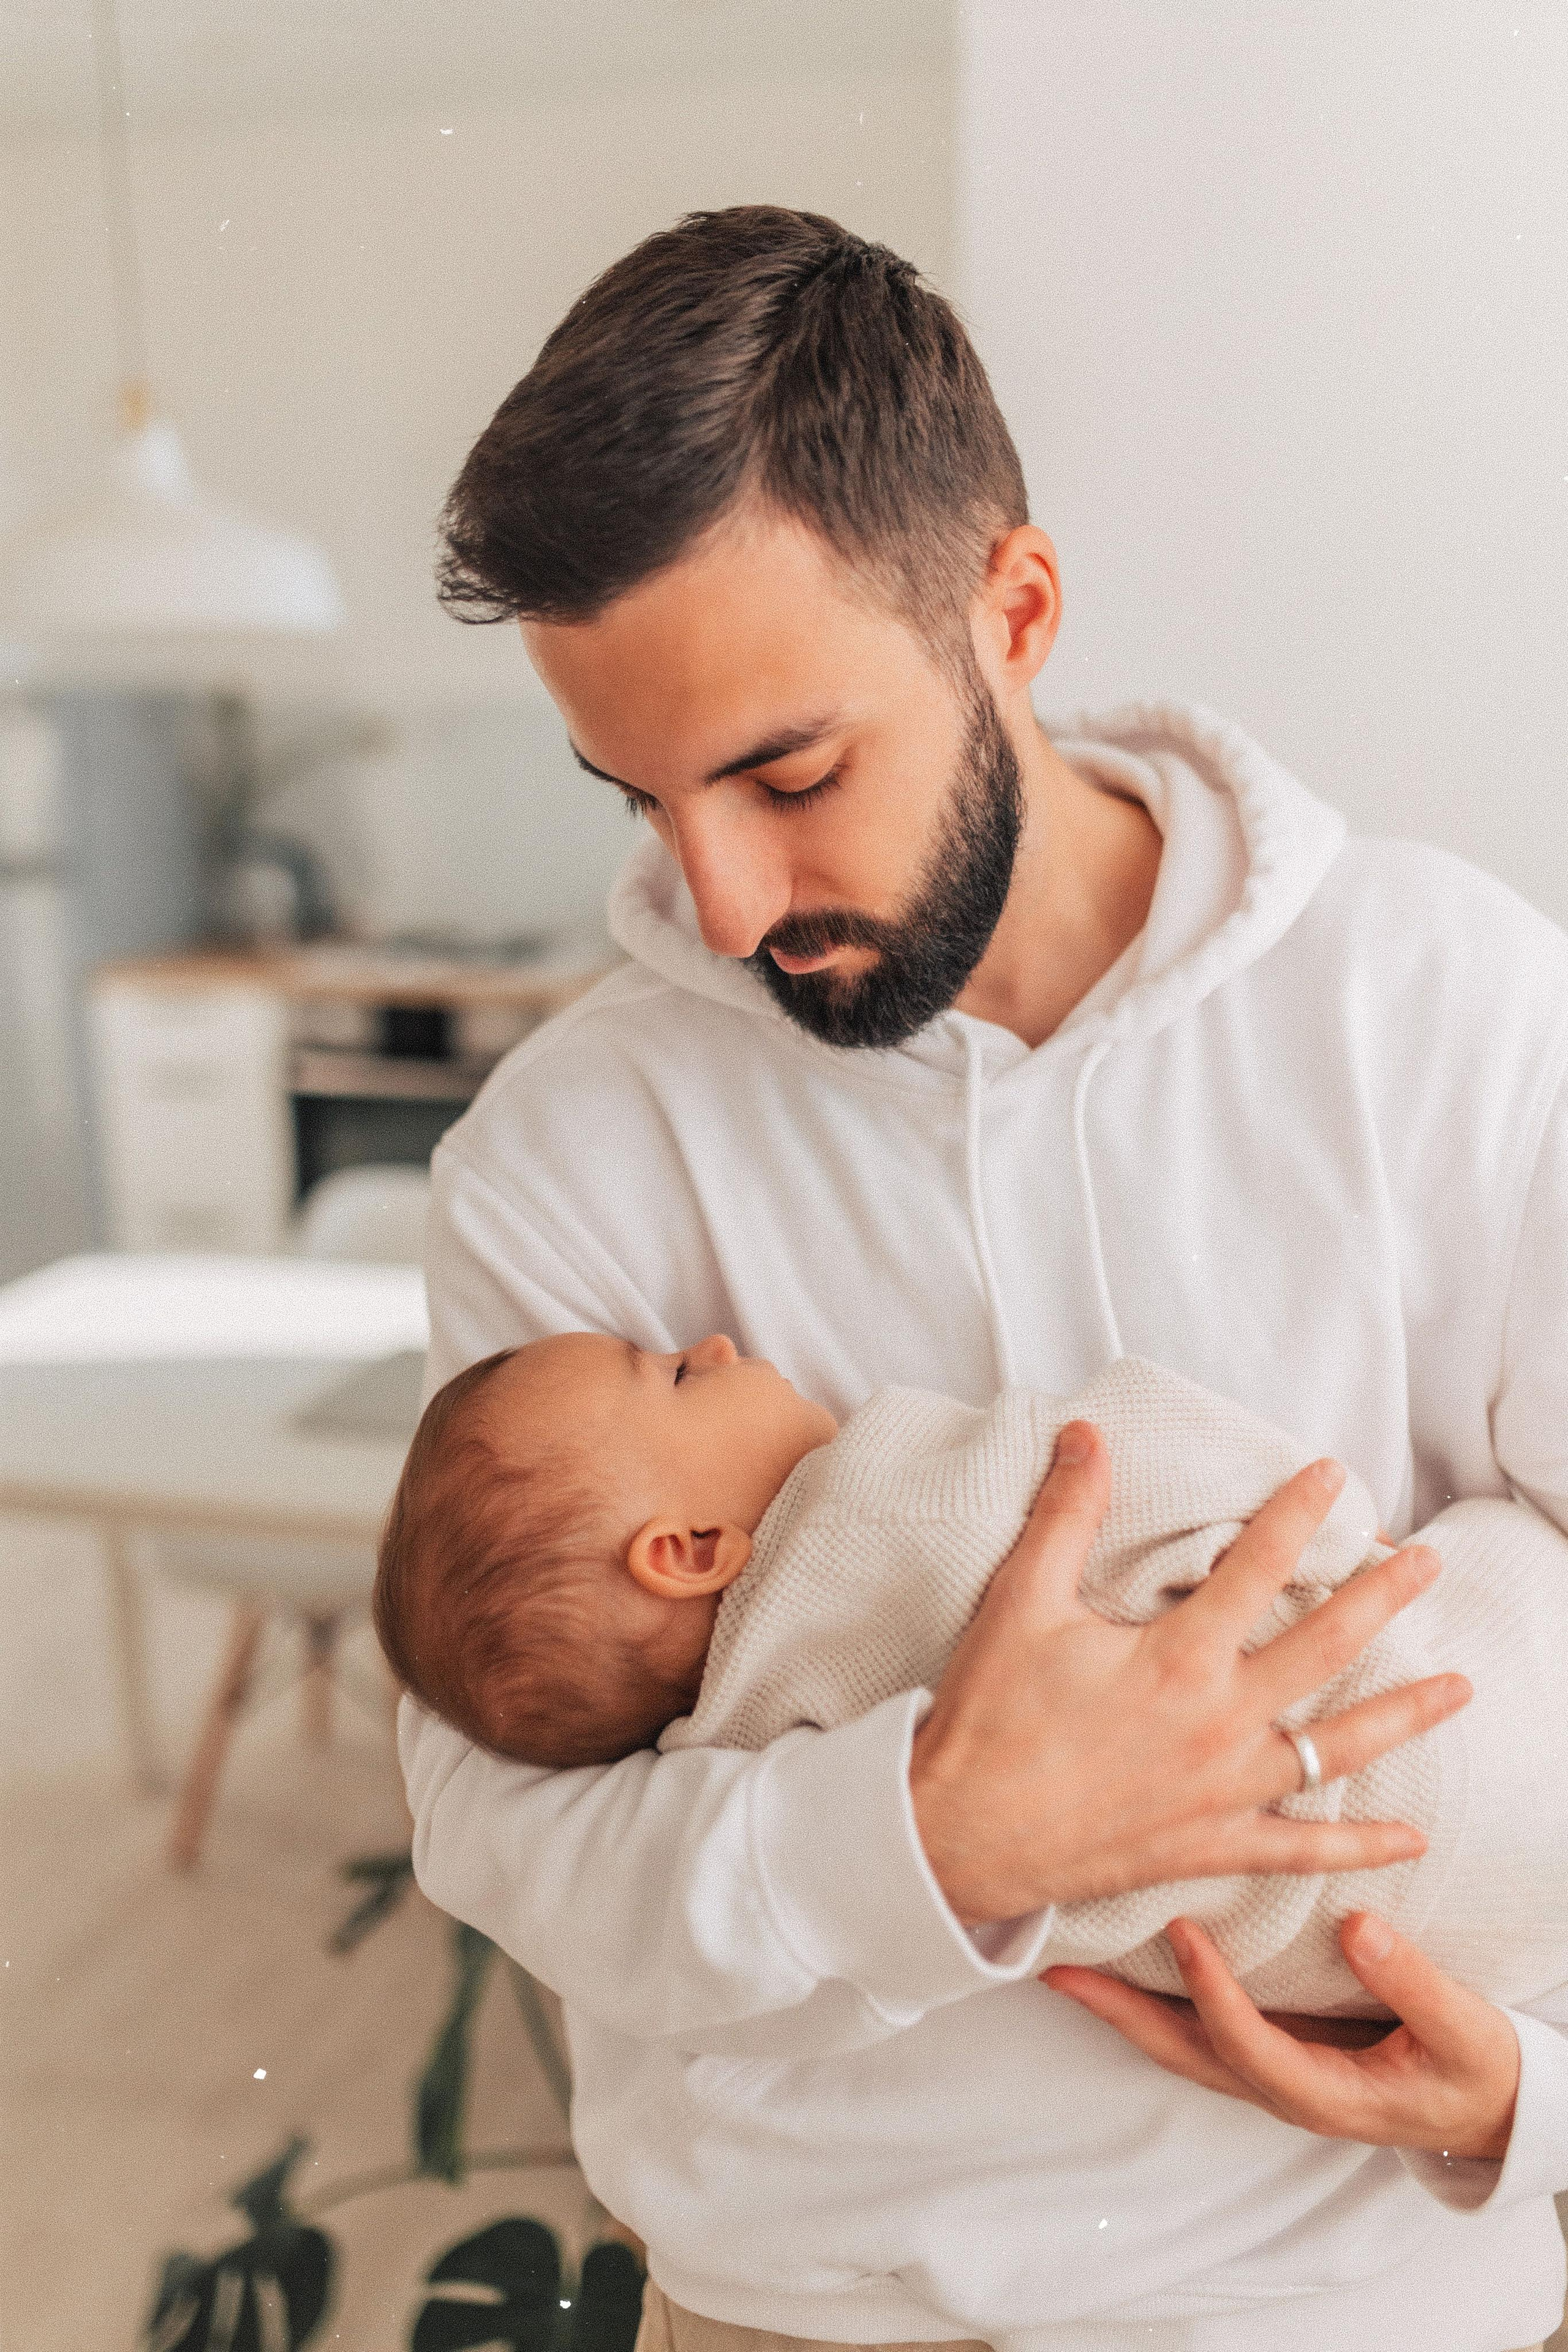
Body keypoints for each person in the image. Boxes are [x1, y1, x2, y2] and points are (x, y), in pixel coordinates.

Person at [402, 206, 1568, 2351]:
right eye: (643, 796)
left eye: (787, 770)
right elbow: (497, 1829)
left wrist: (1545, 2098)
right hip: (799, 2313)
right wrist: (932, 1835)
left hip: (1369, 2298)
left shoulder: (1456, 1007)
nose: (724, 895)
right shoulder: (568, 1156)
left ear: (1012, 609)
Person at [380, 1333, 1568, 2022]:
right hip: (1457, 1730)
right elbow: (1151, 1458)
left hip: (1356, 1967)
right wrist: (1328, 1531)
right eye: (676, 1377)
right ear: (690, 1552)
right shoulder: (884, 1500)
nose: (715, 1343)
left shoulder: (744, 1760)